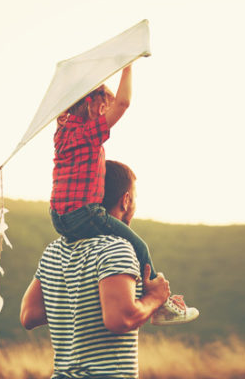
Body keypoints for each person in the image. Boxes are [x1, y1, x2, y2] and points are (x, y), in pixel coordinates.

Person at [49, 65, 198, 324]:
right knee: (139, 246)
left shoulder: (61, 133)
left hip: (57, 217)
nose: (108, 112)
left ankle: (124, 290)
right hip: (84, 213)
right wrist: (127, 66)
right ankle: (160, 303)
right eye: (104, 106)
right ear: (93, 106)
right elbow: (124, 103)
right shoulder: (87, 133)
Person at [20, 160, 171, 379]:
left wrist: (80, 305)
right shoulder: (116, 247)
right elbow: (120, 320)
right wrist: (155, 299)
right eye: (135, 197)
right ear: (126, 200)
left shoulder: (54, 250)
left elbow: (29, 315)